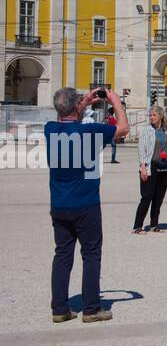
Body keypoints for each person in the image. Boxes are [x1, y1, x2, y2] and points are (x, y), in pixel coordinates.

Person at [46, 86, 128, 323]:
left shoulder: (50, 130)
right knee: (91, 255)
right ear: (77, 107)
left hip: (59, 204)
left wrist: (81, 103)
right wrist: (115, 101)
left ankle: (59, 308)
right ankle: (91, 308)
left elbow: (66, 116)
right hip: (86, 204)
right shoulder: (91, 132)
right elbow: (123, 129)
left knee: (62, 255)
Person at [134, 104, 167, 233]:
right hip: (150, 166)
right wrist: (143, 167)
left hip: (164, 167)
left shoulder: (166, 131)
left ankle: (154, 225)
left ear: (161, 116)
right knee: (147, 197)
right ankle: (137, 226)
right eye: (150, 115)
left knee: (159, 197)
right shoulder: (147, 131)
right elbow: (142, 149)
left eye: (154, 115)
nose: (151, 117)